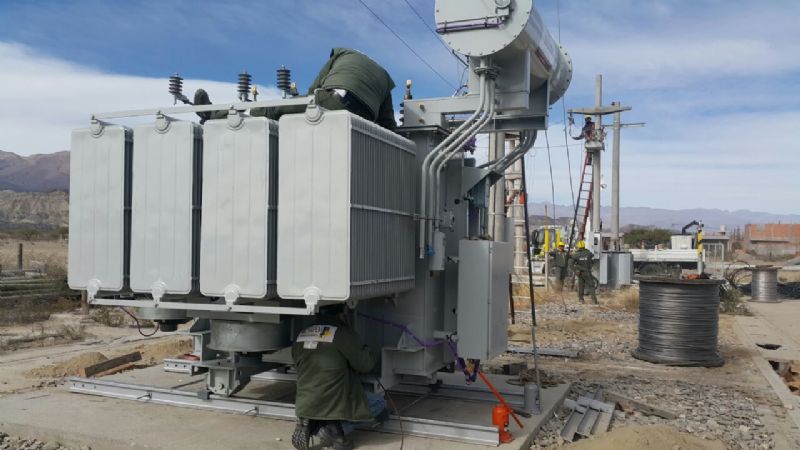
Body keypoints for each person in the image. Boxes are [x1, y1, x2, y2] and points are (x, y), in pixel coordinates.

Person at [195, 47, 397, 130]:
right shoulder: (385, 77)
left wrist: (293, 108)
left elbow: (313, 92)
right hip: (364, 122)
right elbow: (388, 124)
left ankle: (212, 113)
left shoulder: (339, 54)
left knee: (273, 109)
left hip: (335, 101)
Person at [291, 304, 388, 450]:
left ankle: (311, 423)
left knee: (323, 398)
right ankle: (333, 430)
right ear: (341, 314)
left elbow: (296, 362)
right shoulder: (343, 333)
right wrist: (366, 348)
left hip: (305, 402)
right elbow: (365, 365)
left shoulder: (303, 332)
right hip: (334, 401)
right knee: (379, 404)